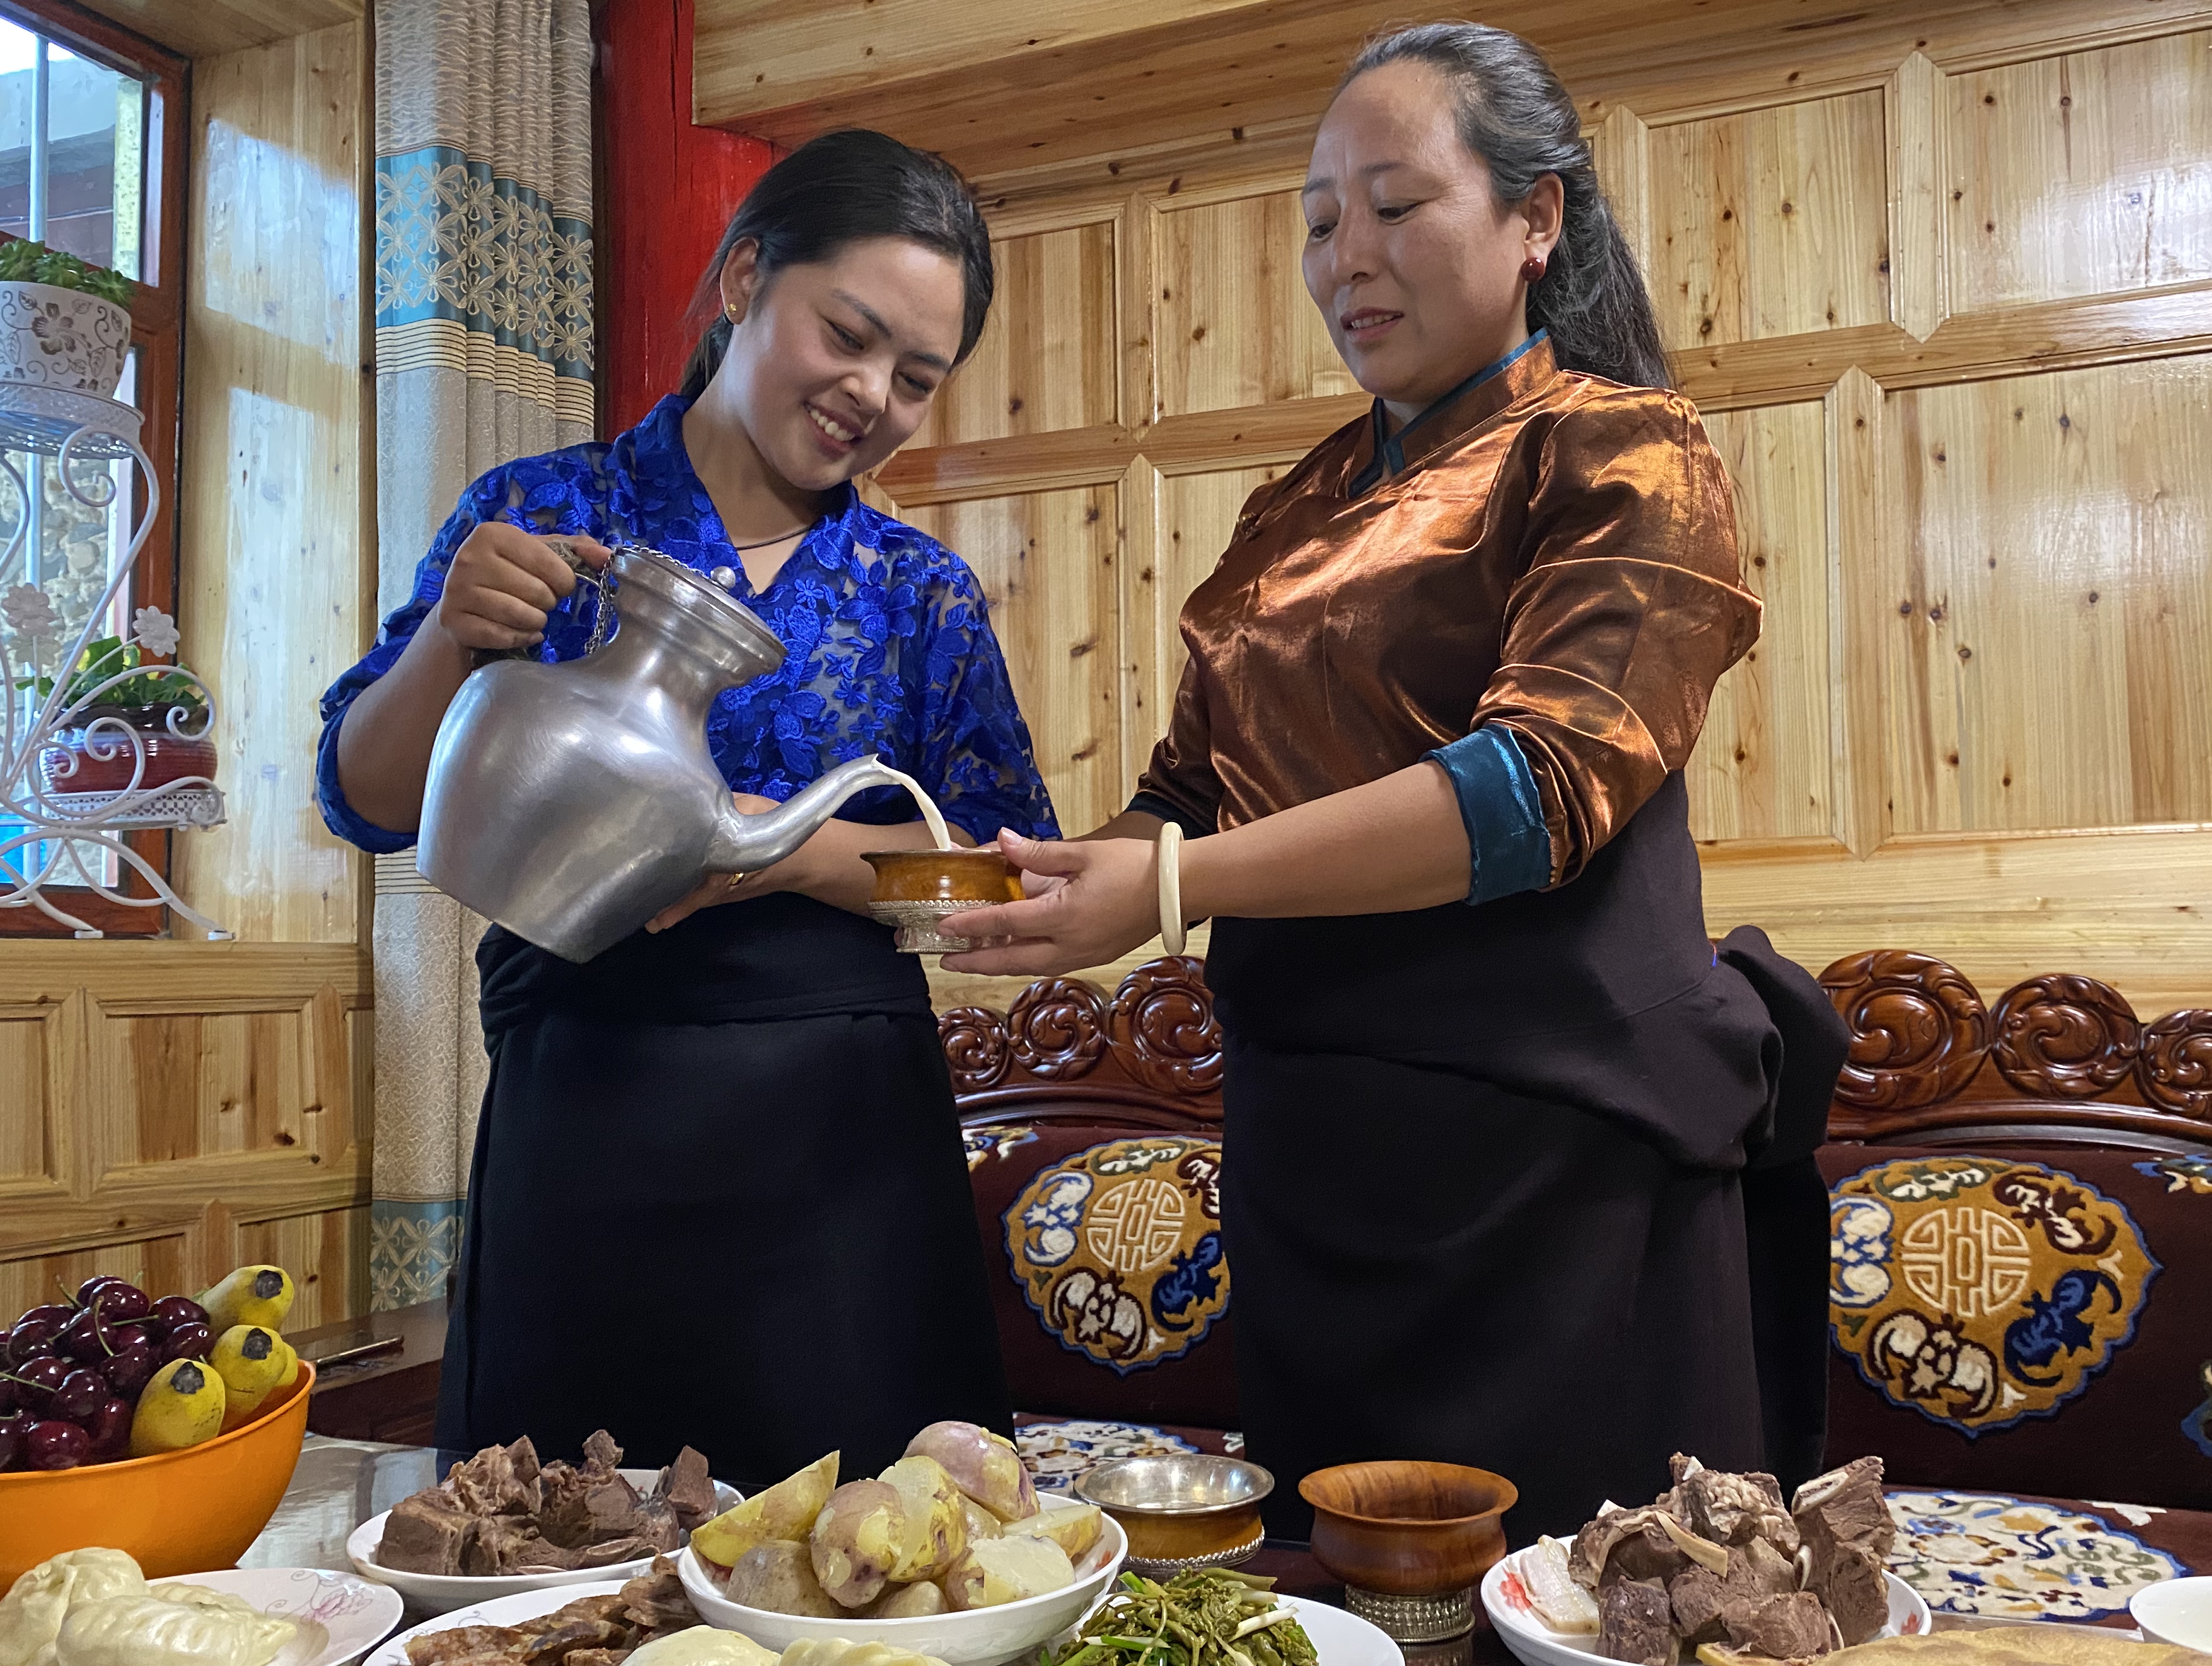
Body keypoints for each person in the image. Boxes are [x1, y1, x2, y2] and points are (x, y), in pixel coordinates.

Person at [943, 25, 1847, 1540]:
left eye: (1395, 204)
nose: (1344, 257)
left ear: (1536, 217)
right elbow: (1193, 790)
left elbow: (1536, 789)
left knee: (1575, 1607)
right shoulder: (1291, 508)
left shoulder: (1623, 449)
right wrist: (1061, 885)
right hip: (1314, 1151)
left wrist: (1169, 887)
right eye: (1317, 222)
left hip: (1548, 1154)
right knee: (1335, 1621)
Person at [318, 130, 1059, 1487]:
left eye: (916, 378)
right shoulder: (544, 511)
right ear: (744, 280)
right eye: (848, 335)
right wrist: (448, 644)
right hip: (584, 1106)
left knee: (872, 1554)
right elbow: (363, 800)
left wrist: (788, 852)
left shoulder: (919, 590)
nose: (871, 396)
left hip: (844, 1142)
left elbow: (997, 876)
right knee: (559, 1547)